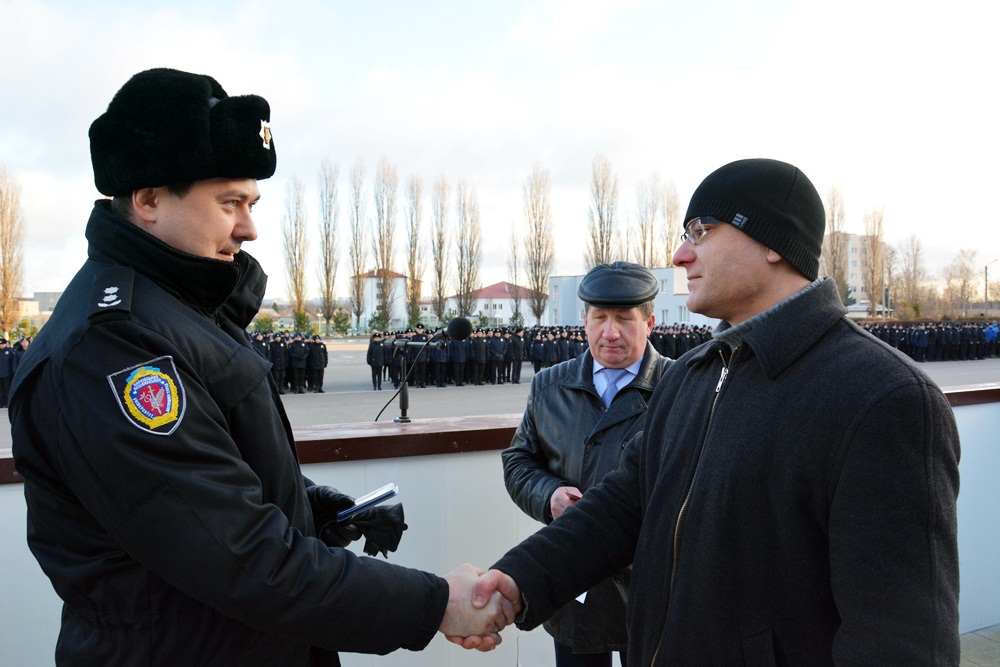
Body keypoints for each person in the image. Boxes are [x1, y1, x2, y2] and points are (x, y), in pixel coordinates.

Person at [8, 68, 512, 666]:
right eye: (229, 203)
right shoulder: (116, 348)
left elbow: (211, 485)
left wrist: (308, 507)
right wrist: (433, 603)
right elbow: (240, 558)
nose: (248, 227)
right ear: (146, 199)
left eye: (251, 203)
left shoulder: (182, 311)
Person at [470, 158, 961, 664]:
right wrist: (516, 582)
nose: (681, 254)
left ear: (774, 242)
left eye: (701, 231)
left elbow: (897, 639)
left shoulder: (883, 396)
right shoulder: (691, 376)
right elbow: (622, 506)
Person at [502, 261, 671, 667]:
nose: (609, 332)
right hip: (574, 579)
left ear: (649, 323)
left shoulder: (678, 386)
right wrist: (550, 496)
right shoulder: (550, 385)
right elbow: (519, 461)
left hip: (653, 583)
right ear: (584, 320)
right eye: (599, 318)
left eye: (624, 320)